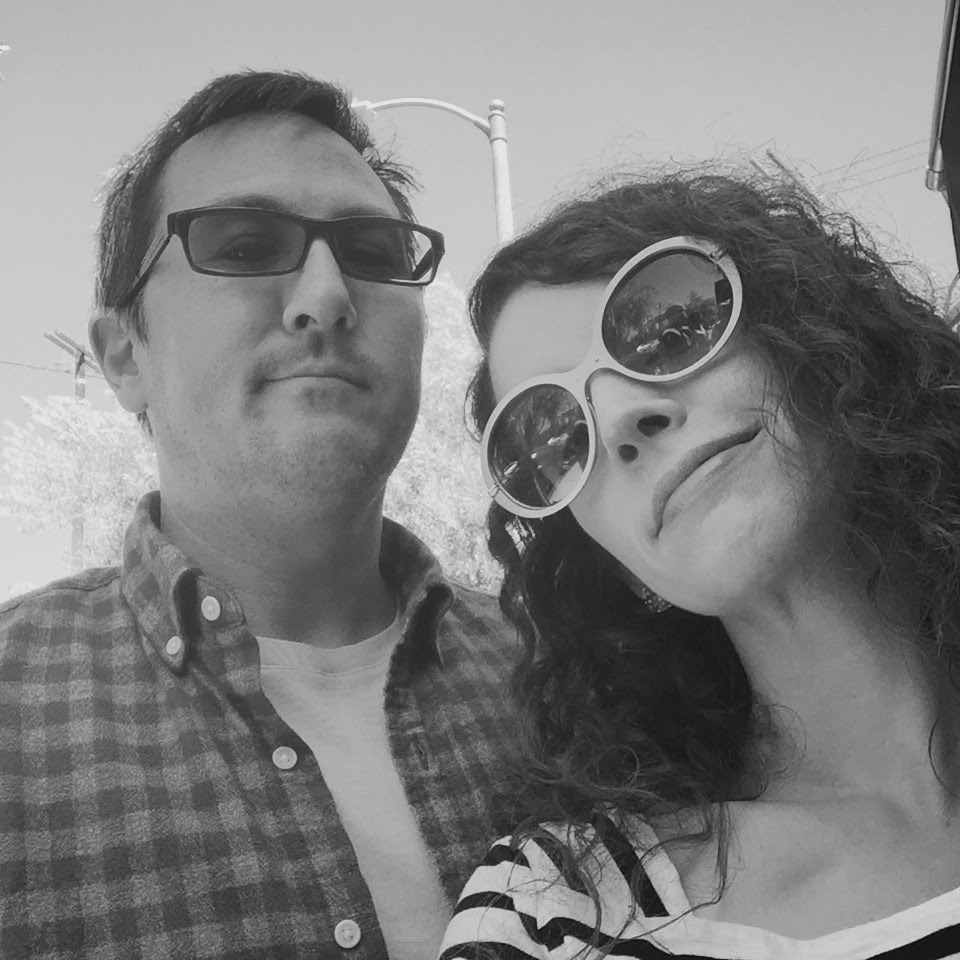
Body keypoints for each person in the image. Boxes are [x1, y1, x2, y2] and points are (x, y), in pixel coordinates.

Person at [0, 70, 520, 960]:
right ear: (124, 356)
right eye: (244, 247)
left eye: (373, 251)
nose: (327, 296)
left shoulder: (573, 680)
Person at [439, 166, 960, 959]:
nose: (620, 419)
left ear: (820, 335)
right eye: (552, 437)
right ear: (612, 561)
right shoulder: (558, 909)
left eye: (669, 329)